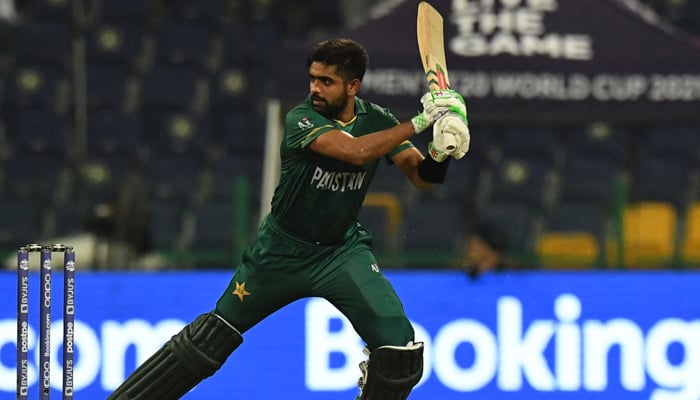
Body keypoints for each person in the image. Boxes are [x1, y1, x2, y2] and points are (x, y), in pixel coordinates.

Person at [107, 38, 470, 400]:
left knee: (400, 351)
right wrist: (424, 119)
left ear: (352, 86)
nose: (314, 88)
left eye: (326, 81)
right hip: (280, 253)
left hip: (339, 253)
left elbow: (423, 178)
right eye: (312, 78)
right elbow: (355, 152)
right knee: (209, 340)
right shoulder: (301, 119)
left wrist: (441, 151)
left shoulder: (377, 119)